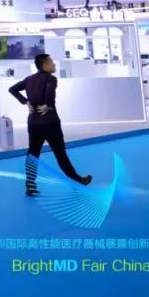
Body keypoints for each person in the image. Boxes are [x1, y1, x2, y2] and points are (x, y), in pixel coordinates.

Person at [9, 54, 92, 196]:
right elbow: (49, 91)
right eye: (52, 63)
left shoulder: (29, 79)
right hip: (50, 123)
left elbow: (12, 89)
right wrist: (48, 105)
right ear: (45, 65)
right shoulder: (51, 79)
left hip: (34, 123)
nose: (54, 65)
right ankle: (77, 180)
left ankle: (30, 185)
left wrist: (25, 101)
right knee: (60, 154)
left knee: (33, 154)